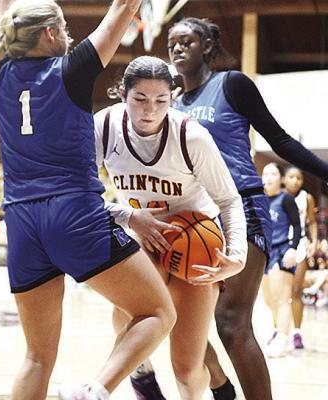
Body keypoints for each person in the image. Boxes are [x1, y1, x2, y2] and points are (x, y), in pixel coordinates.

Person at [0, 2, 178, 400]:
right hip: (73, 215)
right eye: (64, 27)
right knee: (158, 312)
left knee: (36, 358)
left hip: (21, 222)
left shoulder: (0, 75)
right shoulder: (72, 69)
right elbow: (123, 8)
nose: (69, 35)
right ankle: (95, 391)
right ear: (50, 34)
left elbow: (8, 16)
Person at [132, 17, 328, 400]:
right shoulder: (170, 105)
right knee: (169, 313)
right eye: (172, 43)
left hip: (241, 206)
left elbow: (280, 139)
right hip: (193, 216)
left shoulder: (231, 84)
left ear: (207, 46)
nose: (177, 49)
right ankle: (221, 388)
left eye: (187, 41)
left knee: (231, 322)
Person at [94, 55, 248, 400]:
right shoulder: (103, 126)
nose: (150, 109)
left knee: (186, 366)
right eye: (140, 99)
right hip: (141, 234)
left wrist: (236, 255)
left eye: (161, 100)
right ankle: (142, 372)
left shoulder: (192, 137)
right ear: (122, 94)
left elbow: (229, 200)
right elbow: (78, 191)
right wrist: (128, 216)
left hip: (195, 238)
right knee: (127, 317)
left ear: (173, 97)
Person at [261, 163, 301, 357]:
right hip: (264, 253)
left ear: (281, 179)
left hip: (282, 251)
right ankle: (280, 332)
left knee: (282, 298)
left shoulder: (285, 199)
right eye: (265, 173)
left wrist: (293, 249)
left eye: (273, 174)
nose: (269, 177)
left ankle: (283, 338)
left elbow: (297, 226)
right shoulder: (259, 200)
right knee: (269, 300)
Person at [283, 166, 318, 349]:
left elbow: (311, 222)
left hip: (300, 245)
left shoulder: (307, 198)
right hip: (280, 245)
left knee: (296, 290)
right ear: (284, 179)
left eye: (298, 177)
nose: (295, 180)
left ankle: (297, 332)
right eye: (291, 177)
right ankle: (279, 332)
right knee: (280, 295)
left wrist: (314, 242)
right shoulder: (278, 196)